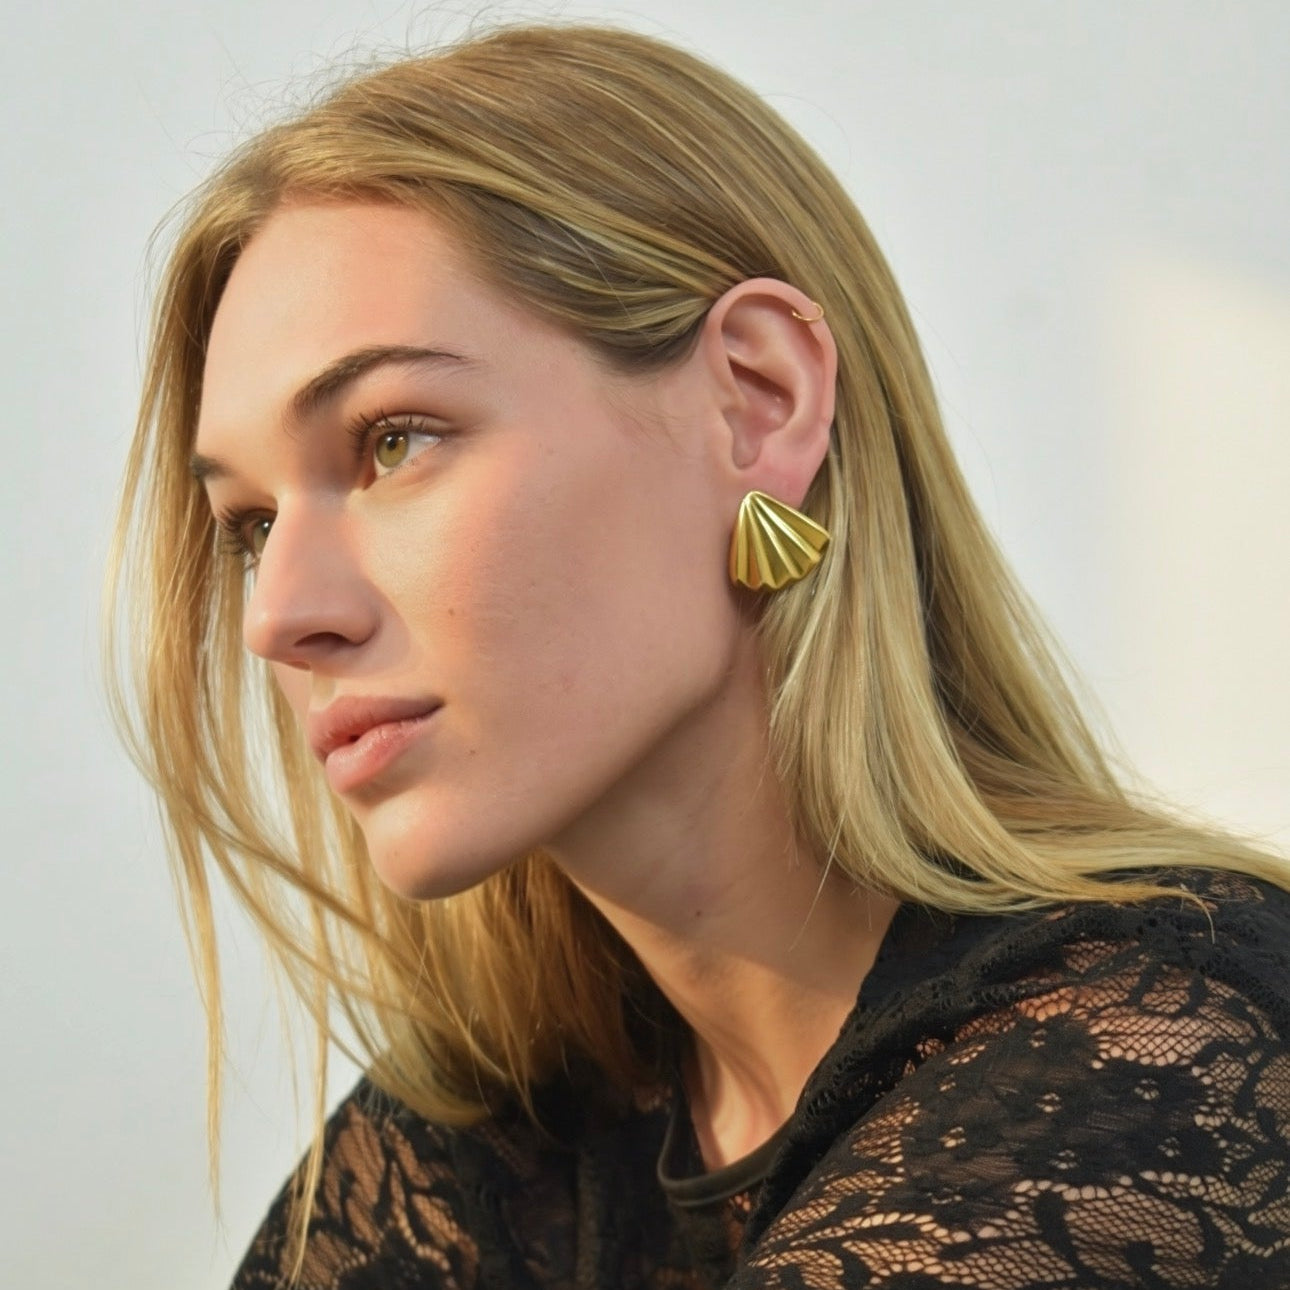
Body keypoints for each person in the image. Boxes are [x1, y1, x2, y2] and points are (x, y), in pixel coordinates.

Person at [109, 22, 1290, 1290]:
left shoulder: (1157, 1054)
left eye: (393, 439)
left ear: (758, 400)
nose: (277, 614)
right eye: (251, 524)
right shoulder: (486, 1145)